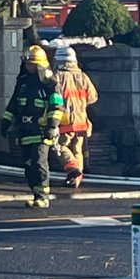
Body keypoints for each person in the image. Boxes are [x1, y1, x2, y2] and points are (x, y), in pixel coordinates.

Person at [1, 45, 64, 207]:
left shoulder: (49, 83)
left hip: (42, 130)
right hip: (25, 130)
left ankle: (43, 196)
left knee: (39, 162)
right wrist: (6, 121)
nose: (29, 67)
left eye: (33, 64)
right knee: (28, 164)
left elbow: (57, 106)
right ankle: (36, 193)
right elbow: (14, 103)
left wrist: (52, 125)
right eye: (28, 64)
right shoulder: (22, 82)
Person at [53, 45, 98, 189]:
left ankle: (72, 168)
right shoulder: (83, 77)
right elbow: (93, 97)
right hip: (82, 121)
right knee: (77, 150)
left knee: (59, 146)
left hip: (65, 121)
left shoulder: (57, 78)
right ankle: (76, 180)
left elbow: (53, 99)